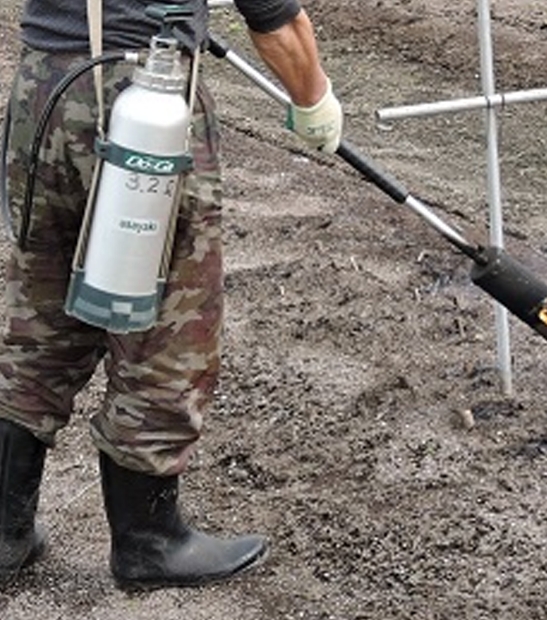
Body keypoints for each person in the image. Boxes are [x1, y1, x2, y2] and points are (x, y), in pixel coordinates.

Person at [0, 0, 342, 590]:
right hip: (142, 91)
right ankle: (150, 542)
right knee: (164, 326)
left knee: (42, 310)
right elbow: (277, 21)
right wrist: (313, 99)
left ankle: (4, 530)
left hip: (44, 88)